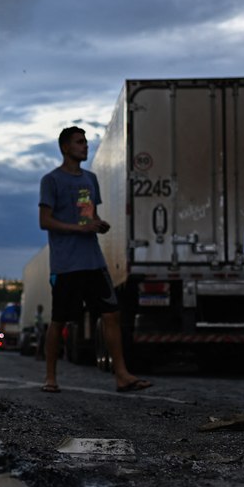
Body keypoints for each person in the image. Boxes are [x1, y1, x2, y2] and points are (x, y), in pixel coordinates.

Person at [38, 126, 151, 394]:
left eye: (86, 142)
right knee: (59, 320)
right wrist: (80, 229)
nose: (85, 146)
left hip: (93, 261)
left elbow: (88, 215)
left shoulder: (90, 179)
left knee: (111, 314)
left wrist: (98, 224)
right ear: (65, 147)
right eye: (79, 142)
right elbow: (45, 221)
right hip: (67, 264)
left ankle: (122, 375)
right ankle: (50, 378)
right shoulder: (51, 180)